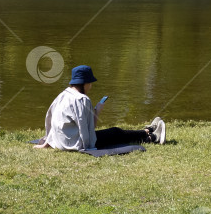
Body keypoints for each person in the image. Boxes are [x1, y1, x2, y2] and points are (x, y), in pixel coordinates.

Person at [33, 64, 166, 151]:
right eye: (90, 83)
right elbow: (88, 129)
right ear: (84, 83)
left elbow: (50, 118)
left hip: (60, 141)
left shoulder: (63, 95)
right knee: (115, 132)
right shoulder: (82, 100)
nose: (91, 86)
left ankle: (148, 132)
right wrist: (89, 147)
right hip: (73, 143)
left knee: (114, 133)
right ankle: (152, 137)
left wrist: (47, 142)